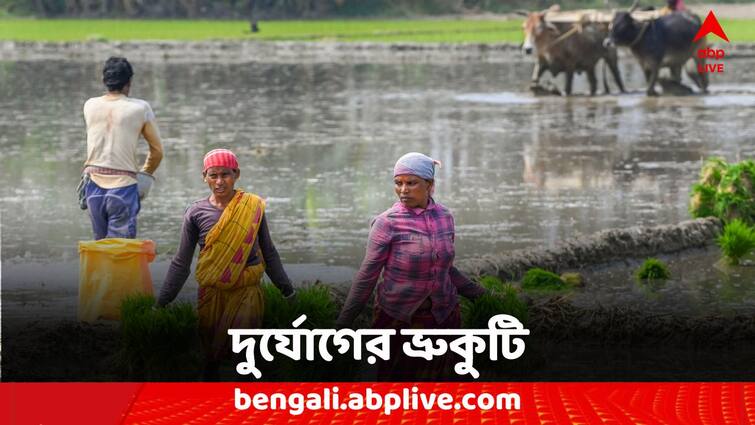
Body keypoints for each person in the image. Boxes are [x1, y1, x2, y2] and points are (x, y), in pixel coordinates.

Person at [336, 152, 487, 380]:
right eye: (398, 183)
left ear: (430, 185)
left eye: (411, 183)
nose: (403, 190)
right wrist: (342, 324)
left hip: (443, 319)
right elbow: (367, 276)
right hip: (399, 321)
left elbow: (445, 269)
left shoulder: (445, 217)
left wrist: (485, 296)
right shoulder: (386, 223)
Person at [157, 148, 295, 380]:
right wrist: (161, 302)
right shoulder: (195, 213)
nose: (220, 181)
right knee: (211, 357)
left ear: (236, 174)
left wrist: (287, 290)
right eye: (213, 175)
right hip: (212, 294)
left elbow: (269, 252)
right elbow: (181, 262)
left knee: (245, 355)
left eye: (226, 175)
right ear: (205, 177)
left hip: (245, 291)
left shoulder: (252, 207)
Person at [82, 56, 163, 240]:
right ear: (129, 82)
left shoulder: (89, 105)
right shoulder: (140, 108)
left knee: (100, 248)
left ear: (104, 81)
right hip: (123, 187)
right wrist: (144, 175)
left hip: (92, 186)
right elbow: (157, 151)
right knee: (121, 252)